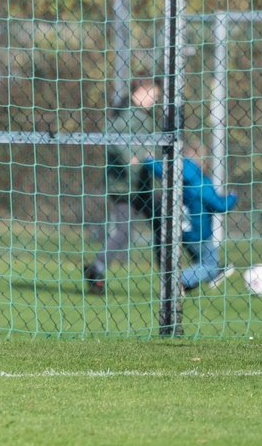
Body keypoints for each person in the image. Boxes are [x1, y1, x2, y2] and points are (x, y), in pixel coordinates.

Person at [83, 77, 163, 294]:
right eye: (153, 95)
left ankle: (171, 277)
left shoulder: (142, 115)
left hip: (141, 184)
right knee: (123, 231)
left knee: (162, 224)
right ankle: (96, 269)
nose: (155, 100)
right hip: (125, 186)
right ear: (142, 91)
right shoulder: (128, 113)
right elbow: (113, 136)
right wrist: (132, 157)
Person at [143, 137, 239, 292]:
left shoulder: (174, 175)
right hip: (199, 233)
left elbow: (158, 168)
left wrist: (148, 160)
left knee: (206, 263)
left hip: (180, 230)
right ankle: (180, 281)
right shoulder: (201, 183)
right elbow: (220, 206)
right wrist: (233, 196)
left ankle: (192, 282)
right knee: (209, 264)